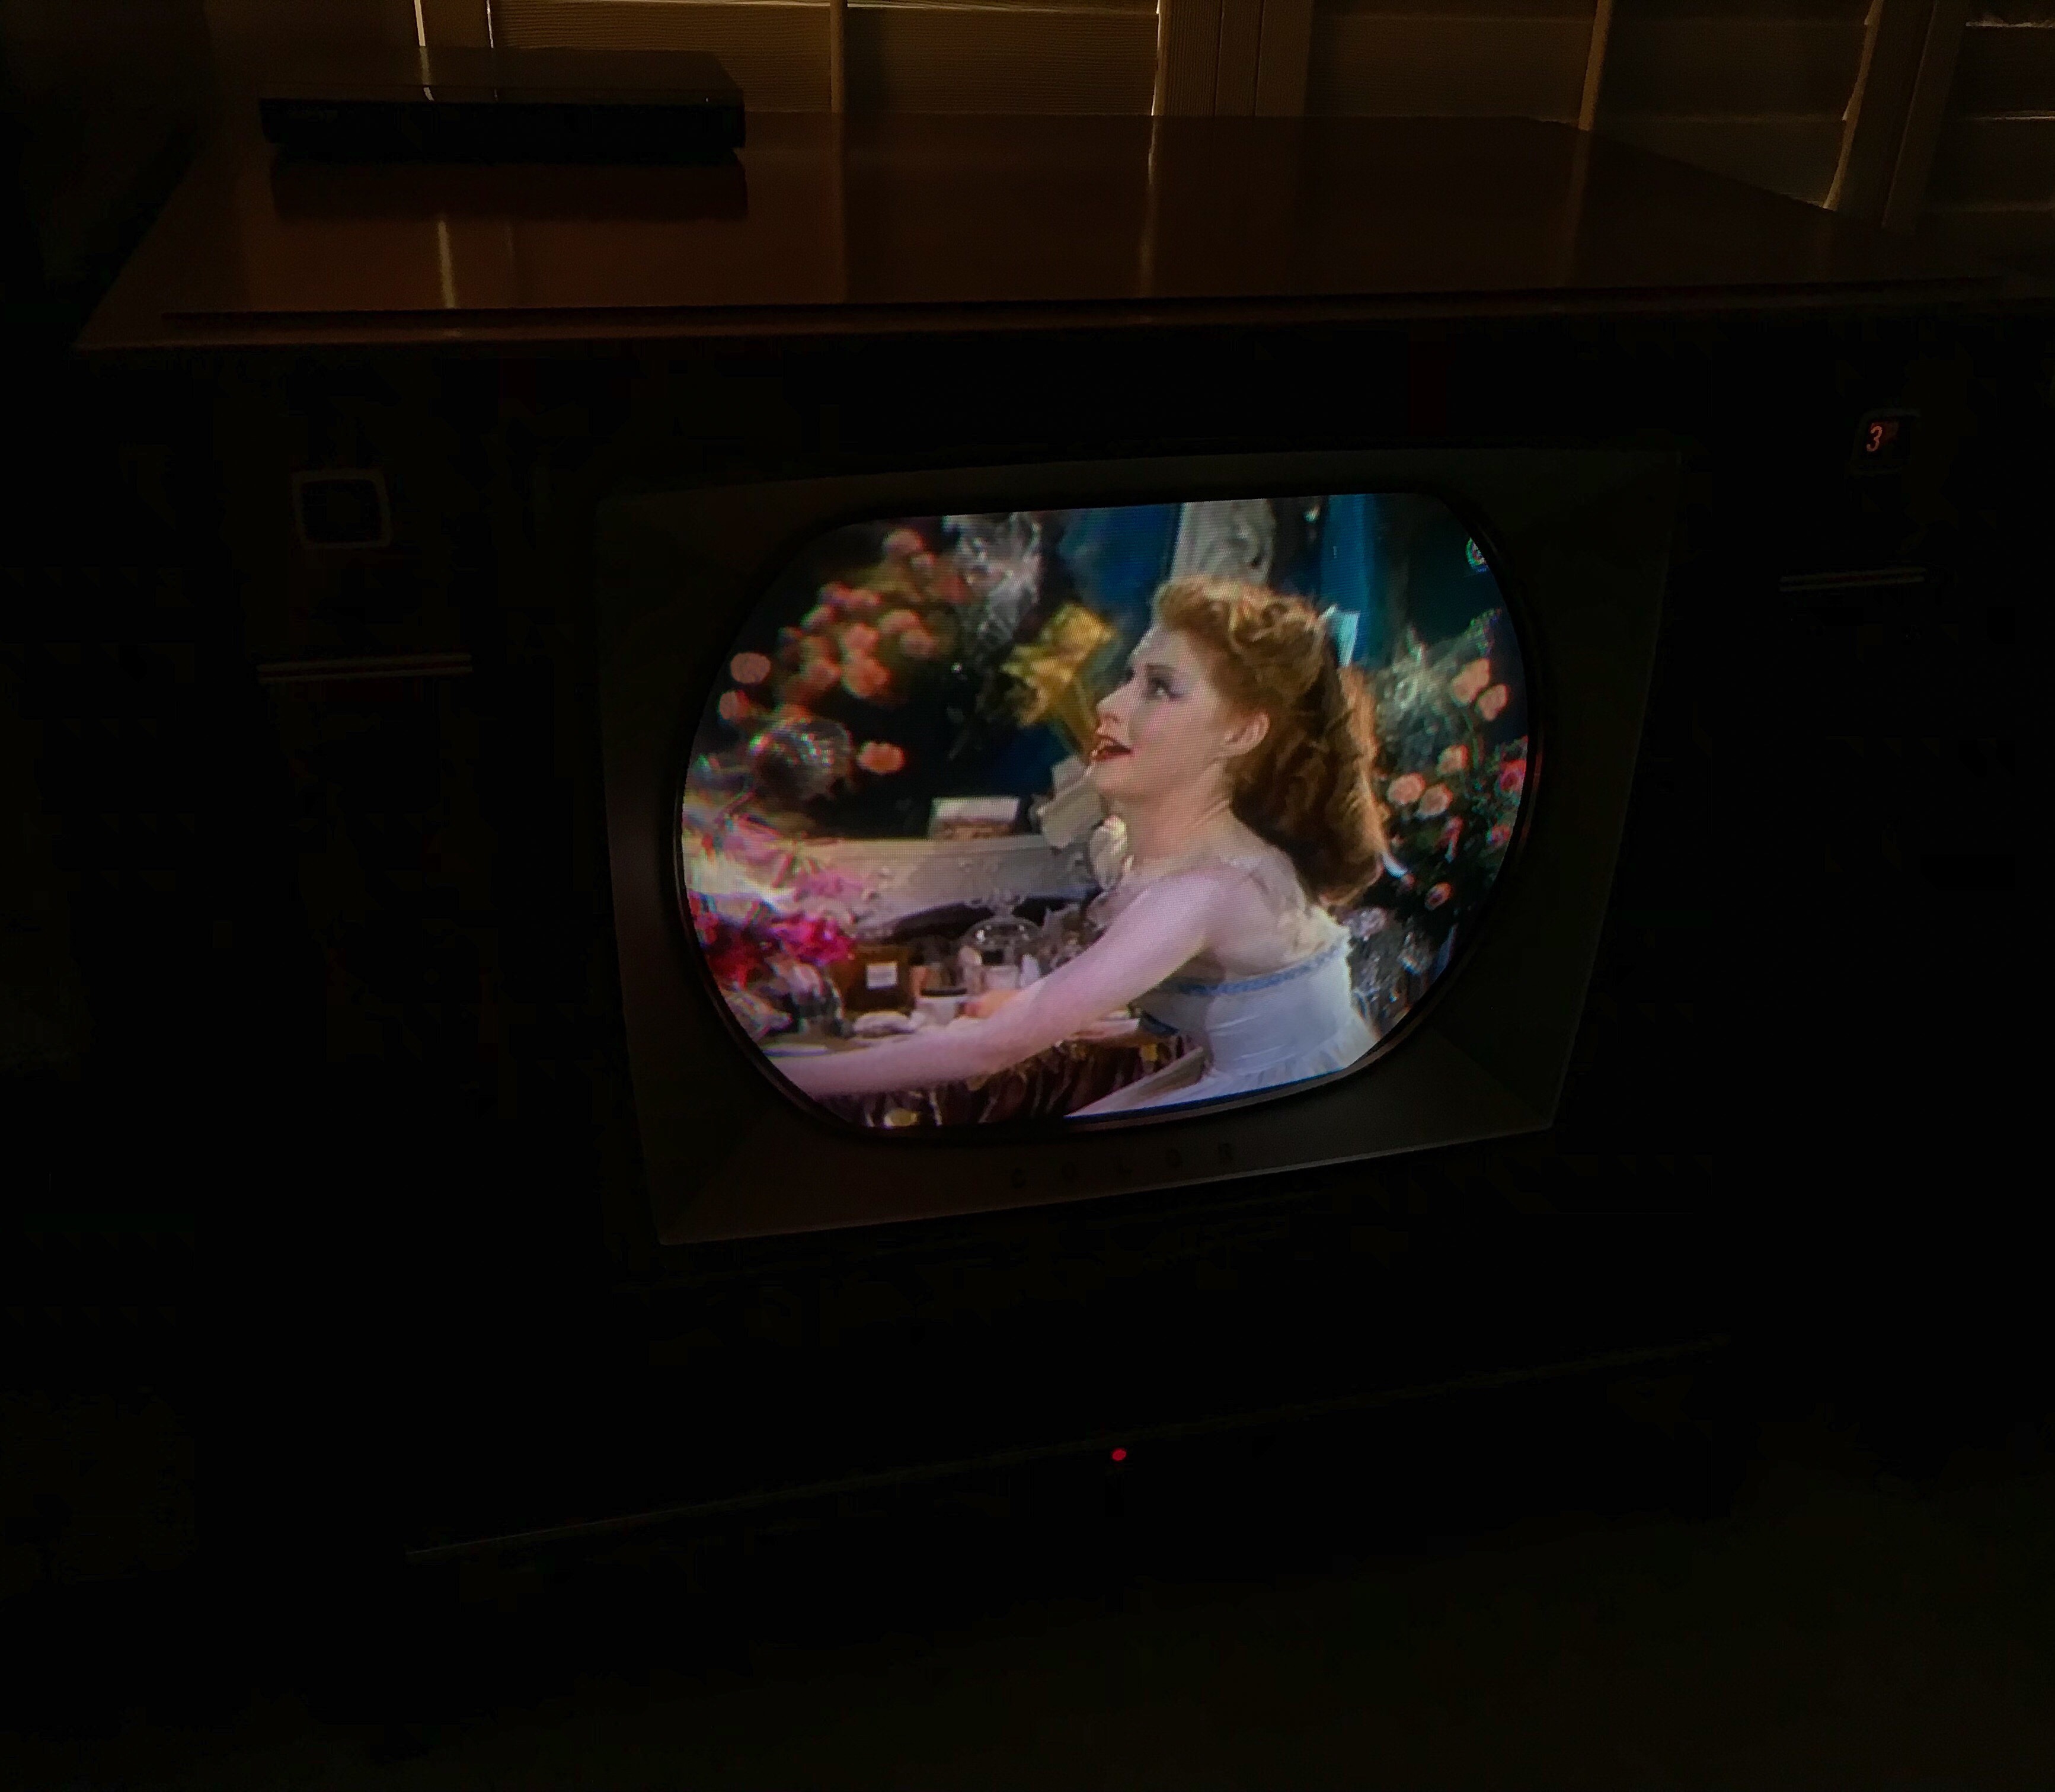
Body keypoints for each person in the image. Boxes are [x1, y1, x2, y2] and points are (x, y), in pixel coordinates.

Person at [779, 576, 1389, 1116]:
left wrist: (782, 1078)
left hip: (1294, 1104)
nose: (1108, 705)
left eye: (1160, 688)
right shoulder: (1174, 857)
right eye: (1129, 678)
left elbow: (994, 1048)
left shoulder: (1205, 889)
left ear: (1240, 733)